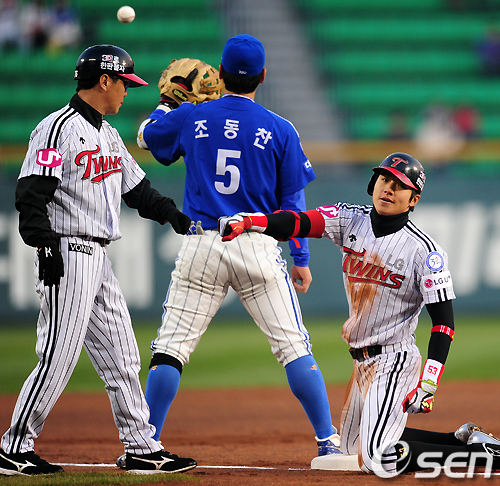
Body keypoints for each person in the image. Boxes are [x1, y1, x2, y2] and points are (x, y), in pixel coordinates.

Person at [123, 34, 341, 463]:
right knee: (293, 347)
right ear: (263, 76)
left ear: (220, 74)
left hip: (202, 243)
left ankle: (144, 444)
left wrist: (167, 104)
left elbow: (146, 138)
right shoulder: (281, 128)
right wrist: (300, 257)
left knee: (171, 348)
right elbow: (293, 203)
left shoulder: (192, 115)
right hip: (257, 244)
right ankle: (327, 441)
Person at [219, 152, 500, 474]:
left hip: (394, 360)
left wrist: (429, 383)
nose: (388, 188)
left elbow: (444, 325)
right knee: (353, 448)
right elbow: (299, 222)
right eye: (384, 179)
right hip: (361, 362)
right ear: (373, 183)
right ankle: (462, 440)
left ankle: (487, 458)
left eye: (400, 185)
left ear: (414, 199)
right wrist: (251, 222)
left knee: (377, 458)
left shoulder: (424, 251)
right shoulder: (350, 220)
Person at [0, 44, 197, 476]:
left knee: (123, 356)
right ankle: (14, 446)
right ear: (104, 80)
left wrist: (173, 215)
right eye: (124, 83)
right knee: (58, 355)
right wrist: (44, 245)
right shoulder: (56, 129)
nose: (127, 91)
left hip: (99, 256)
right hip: (67, 250)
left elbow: (137, 190)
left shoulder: (107, 133)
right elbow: (31, 194)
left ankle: (141, 446)